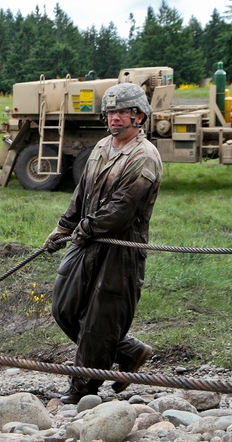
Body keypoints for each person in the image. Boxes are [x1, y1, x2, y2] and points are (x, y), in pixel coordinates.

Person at [43, 82, 162, 404]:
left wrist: (83, 228)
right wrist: (63, 227)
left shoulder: (144, 157)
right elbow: (81, 194)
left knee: (100, 322)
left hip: (121, 249)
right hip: (86, 239)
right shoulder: (100, 148)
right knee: (64, 308)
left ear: (139, 116)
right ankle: (129, 351)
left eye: (123, 112)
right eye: (111, 112)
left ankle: (82, 391)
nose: (115, 118)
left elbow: (122, 209)